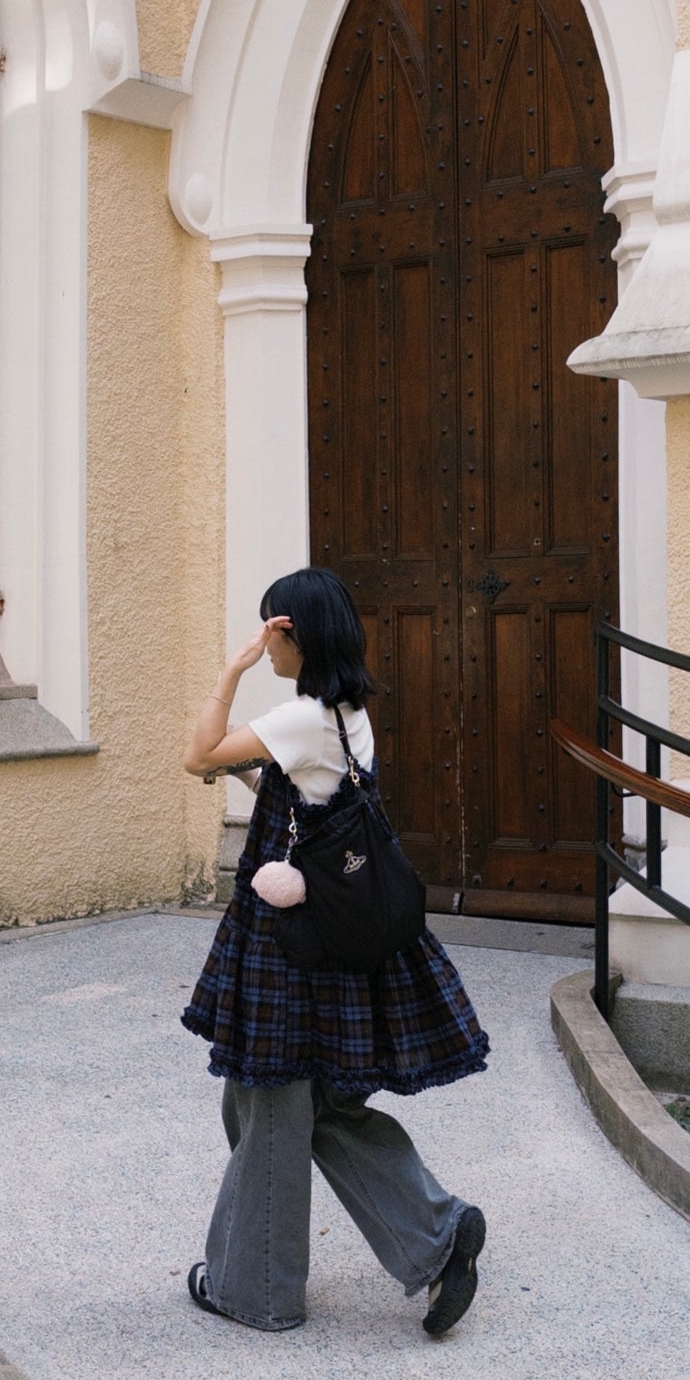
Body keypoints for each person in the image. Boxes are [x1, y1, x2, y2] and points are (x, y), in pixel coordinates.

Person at [180, 565, 490, 1336]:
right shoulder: (348, 715)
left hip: (291, 949)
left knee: (273, 1100)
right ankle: (436, 1231)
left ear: (290, 632)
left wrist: (229, 671)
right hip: (329, 941)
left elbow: (198, 753)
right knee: (303, 1104)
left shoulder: (302, 715)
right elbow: (314, 802)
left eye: (270, 632)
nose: (266, 648)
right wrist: (257, 775)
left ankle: (255, 1288)